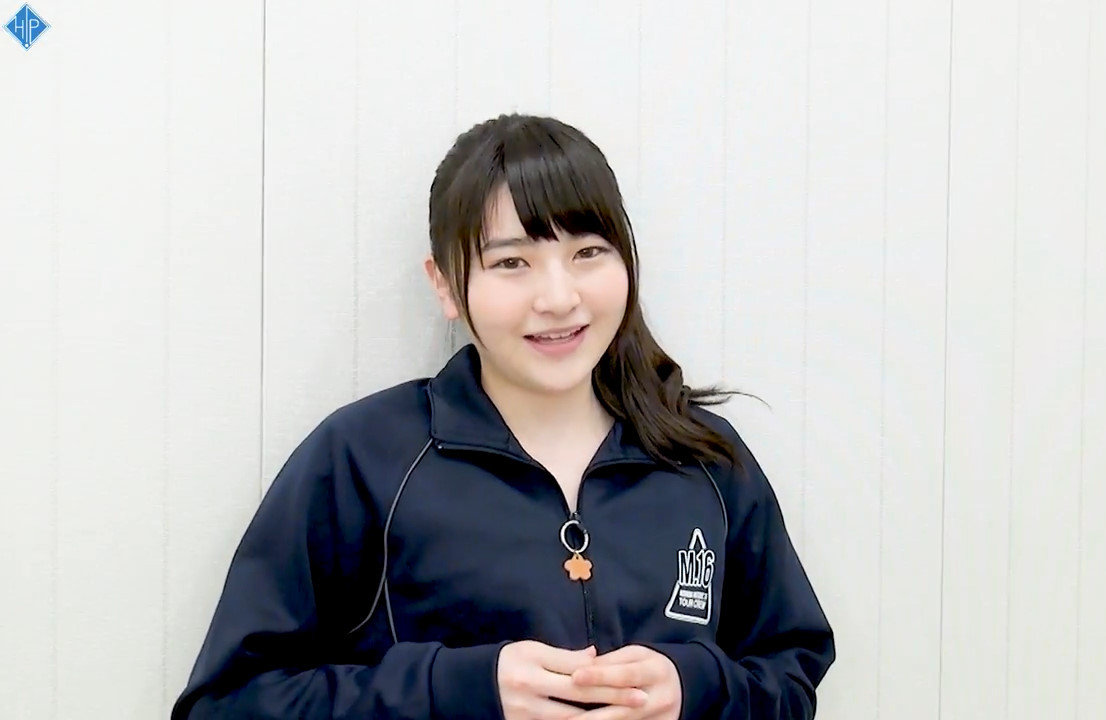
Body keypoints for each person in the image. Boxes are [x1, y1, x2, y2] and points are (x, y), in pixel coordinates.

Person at [172, 113, 835, 720]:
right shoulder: (362, 459)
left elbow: (790, 676)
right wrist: (457, 691)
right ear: (444, 283)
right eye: (512, 262)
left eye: (588, 252)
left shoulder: (704, 458)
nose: (559, 297)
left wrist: (697, 690)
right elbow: (225, 703)